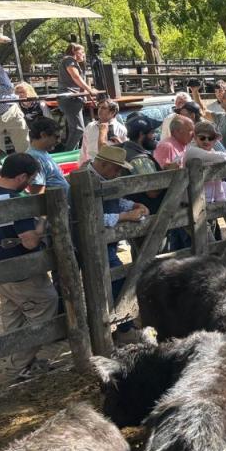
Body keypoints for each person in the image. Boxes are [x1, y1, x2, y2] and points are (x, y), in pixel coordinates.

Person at [0, 153, 58, 377]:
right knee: (45, 306)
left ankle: (23, 363)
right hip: (22, 270)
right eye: (30, 178)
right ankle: (18, 366)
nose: (31, 183)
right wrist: (42, 222)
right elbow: (29, 242)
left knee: (14, 316)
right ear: (20, 177)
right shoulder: (16, 200)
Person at [80, 145, 149, 339]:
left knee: (115, 280)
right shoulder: (86, 180)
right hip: (91, 244)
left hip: (104, 243)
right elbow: (91, 217)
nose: (118, 172)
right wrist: (127, 215)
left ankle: (121, 326)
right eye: (116, 168)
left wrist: (134, 205)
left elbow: (114, 202)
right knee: (117, 281)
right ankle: (124, 329)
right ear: (103, 164)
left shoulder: (100, 178)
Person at [58, 43, 97, 151]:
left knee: (76, 129)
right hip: (69, 98)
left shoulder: (73, 62)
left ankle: (73, 153)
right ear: (74, 51)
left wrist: (86, 95)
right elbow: (75, 77)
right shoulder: (69, 60)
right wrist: (90, 90)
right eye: (82, 52)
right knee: (78, 129)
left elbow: (78, 81)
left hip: (74, 98)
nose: (84, 55)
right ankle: (67, 154)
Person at [121, 115, 164, 213]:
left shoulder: (126, 150)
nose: (154, 136)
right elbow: (152, 192)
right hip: (151, 216)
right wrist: (171, 174)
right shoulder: (139, 159)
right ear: (141, 134)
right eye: (152, 132)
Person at [184, 121, 226, 203]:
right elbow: (223, 158)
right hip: (192, 200)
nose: (206, 141)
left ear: (215, 141)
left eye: (210, 138)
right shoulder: (191, 150)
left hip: (207, 198)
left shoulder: (212, 151)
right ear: (195, 138)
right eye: (202, 138)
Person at [25, 117, 69, 195]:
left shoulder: (42, 153)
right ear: (43, 135)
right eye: (56, 137)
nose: (59, 141)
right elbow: (37, 194)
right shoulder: (35, 158)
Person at [78, 98, 127, 165]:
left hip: (110, 166)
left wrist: (120, 144)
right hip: (91, 165)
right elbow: (84, 148)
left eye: (103, 108)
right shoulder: (90, 126)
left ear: (112, 112)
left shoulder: (121, 129)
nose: (99, 110)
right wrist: (81, 165)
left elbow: (125, 153)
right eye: (99, 107)